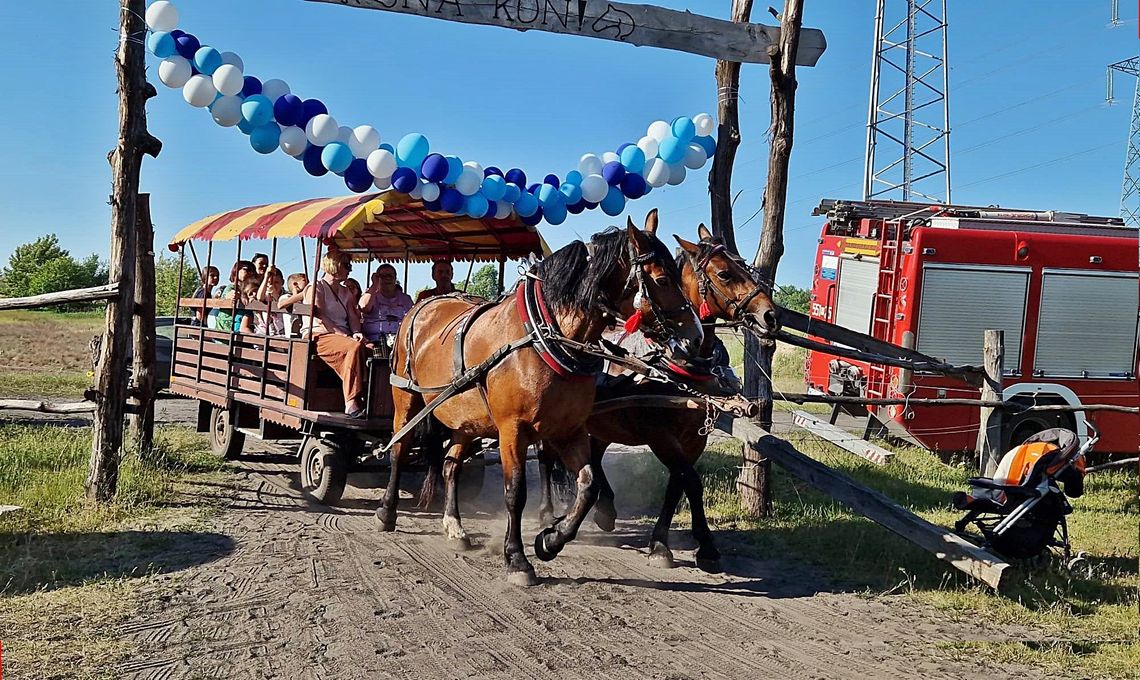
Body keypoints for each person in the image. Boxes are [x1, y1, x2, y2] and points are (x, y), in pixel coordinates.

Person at [302, 251, 370, 418]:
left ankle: (371, 399)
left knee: (372, 349)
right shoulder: (316, 287)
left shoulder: (345, 291)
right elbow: (321, 316)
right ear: (335, 265)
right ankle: (351, 402)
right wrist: (344, 335)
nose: (350, 270)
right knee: (353, 348)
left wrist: (356, 332)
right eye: (347, 265)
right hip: (319, 335)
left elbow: (353, 317)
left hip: (342, 337)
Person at [360, 264, 413, 344]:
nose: (387, 278)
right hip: (373, 341)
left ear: (395, 278)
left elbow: (412, 320)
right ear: (377, 278)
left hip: (400, 342)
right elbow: (363, 307)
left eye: (390, 275)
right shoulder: (371, 295)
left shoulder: (406, 299)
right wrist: (374, 285)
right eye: (383, 276)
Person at [215, 260, 256, 331]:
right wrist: (233, 295)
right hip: (225, 328)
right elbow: (229, 295)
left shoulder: (248, 289)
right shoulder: (231, 287)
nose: (251, 272)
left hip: (236, 327)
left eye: (253, 270)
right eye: (247, 269)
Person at [255, 267, 286, 336]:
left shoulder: (286, 295)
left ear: (282, 282)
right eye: (269, 283)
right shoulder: (265, 294)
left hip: (282, 330)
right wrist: (266, 277)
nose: (273, 285)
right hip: (265, 330)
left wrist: (275, 294)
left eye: (276, 282)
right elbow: (259, 298)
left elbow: (281, 304)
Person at [280, 272, 309, 337]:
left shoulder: (305, 299)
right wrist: (299, 294)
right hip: (291, 335)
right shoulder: (287, 296)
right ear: (295, 284)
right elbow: (281, 304)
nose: (308, 283)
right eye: (304, 280)